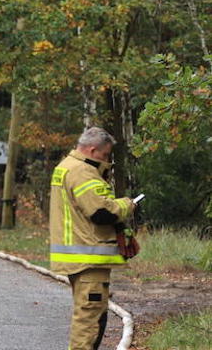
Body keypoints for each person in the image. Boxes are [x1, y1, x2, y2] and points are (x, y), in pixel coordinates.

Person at [49, 127, 139, 350]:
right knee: (89, 320)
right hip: (88, 257)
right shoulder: (82, 172)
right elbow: (102, 213)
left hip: (79, 256)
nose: (107, 160)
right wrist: (128, 205)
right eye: (105, 155)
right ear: (92, 149)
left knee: (90, 315)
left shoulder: (66, 166)